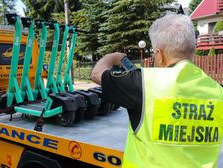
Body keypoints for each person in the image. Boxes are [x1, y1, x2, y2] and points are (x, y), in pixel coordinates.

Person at [91, 14, 223, 168]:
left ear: (160, 54)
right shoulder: (217, 91)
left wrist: (111, 57)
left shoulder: (143, 83)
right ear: (193, 49)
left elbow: (96, 74)